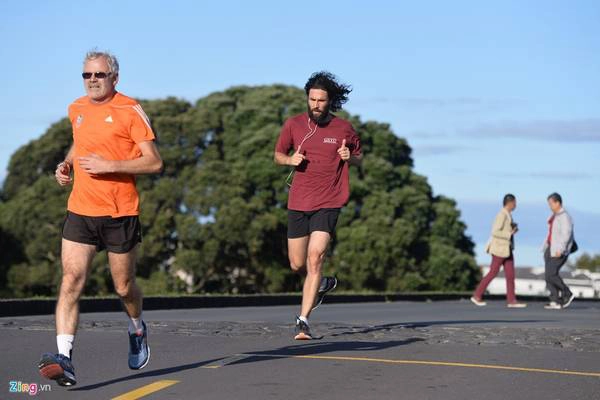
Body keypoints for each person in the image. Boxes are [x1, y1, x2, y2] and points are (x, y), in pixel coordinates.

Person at [38, 50, 163, 386]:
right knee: (71, 280)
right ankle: (64, 358)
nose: (92, 80)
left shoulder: (129, 110)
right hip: (81, 210)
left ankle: (137, 327)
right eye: (87, 75)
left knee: (123, 287)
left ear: (114, 78)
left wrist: (110, 166)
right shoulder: (76, 109)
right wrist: (66, 166)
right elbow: (80, 145)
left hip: (120, 214)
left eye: (99, 75)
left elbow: (154, 162)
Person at [274, 71, 362, 340]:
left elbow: (359, 157)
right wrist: (290, 161)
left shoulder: (343, 129)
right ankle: (321, 283)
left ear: (330, 101)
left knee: (315, 257)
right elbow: (278, 155)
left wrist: (350, 157)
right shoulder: (293, 125)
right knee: (296, 263)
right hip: (299, 201)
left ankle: (303, 321)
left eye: (321, 100)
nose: (315, 105)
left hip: (329, 201)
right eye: (312, 99)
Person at [471, 194, 527, 308]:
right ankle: (477, 295)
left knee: (510, 275)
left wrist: (512, 230)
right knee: (493, 272)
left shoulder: (508, 215)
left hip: (507, 249)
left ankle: (511, 300)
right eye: (515, 203)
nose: (516, 205)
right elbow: (495, 231)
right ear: (510, 203)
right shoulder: (502, 215)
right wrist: (509, 233)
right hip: (499, 249)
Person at [543, 192, 576, 310]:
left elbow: (566, 234)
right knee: (548, 275)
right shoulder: (555, 216)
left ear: (558, 202)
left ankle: (567, 293)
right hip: (550, 248)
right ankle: (555, 300)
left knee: (551, 274)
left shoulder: (564, 216)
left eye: (551, 203)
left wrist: (561, 249)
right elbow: (551, 233)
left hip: (558, 250)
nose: (550, 206)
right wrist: (545, 247)